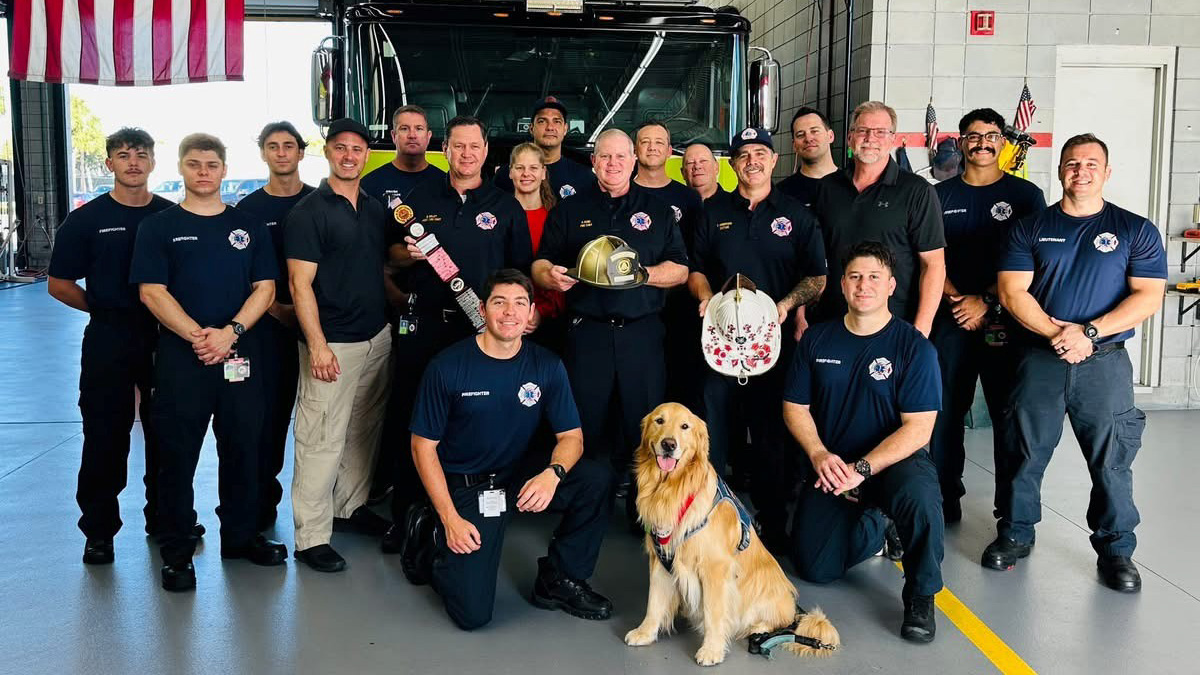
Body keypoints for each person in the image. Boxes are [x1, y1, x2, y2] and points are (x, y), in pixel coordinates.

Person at [987, 133, 1166, 593]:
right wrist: (1058, 334)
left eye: (1090, 164)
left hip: (1104, 362)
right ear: (1061, 170)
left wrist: (1088, 333)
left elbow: (1148, 296)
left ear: (1106, 172)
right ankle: (1015, 532)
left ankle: (1116, 550)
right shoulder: (1029, 227)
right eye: (1071, 163)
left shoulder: (1135, 229)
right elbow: (1011, 292)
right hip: (1038, 358)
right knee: (1023, 449)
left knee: (1112, 459)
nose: (1080, 171)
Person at [407, 269, 613, 630]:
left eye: (520, 304)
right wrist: (451, 518)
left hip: (517, 473)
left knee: (596, 479)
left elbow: (572, 437)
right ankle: (430, 538)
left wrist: (553, 475)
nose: (509, 313)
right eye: (499, 303)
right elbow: (422, 447)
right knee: (472, 615)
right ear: (483, 310)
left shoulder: (546, 365)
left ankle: (559, 578)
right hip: (468, 484)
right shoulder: (448, 366)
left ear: (531, 312)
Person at [130, 133, 286, 592]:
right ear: (180, 167)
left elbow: (266, 289)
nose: (204, 171)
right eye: (194, 163)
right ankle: (177, 551)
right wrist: (199, 337)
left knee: (244, 450)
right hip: (184, 360)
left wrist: (230, 333)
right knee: (176, 457)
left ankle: (240, 536)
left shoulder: (249, 226)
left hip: (239, 356)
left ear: (223, 169)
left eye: (212, 164)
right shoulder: (158, 227)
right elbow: (151, 291)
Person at [382, 116, 533, 552]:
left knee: (477, 422)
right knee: (414, 419)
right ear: (444, 149)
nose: (467, 154)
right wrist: (406, 254)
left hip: (482, 331)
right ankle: (408, 515)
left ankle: (471, 511)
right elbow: (390, 254)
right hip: (426, 325)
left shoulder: (505, 206)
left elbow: (520, 271)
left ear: (487, 152)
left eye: (475, 147)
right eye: (458, 146)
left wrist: (519, 315)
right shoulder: (418, 198)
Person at [48, 128, 196, 565]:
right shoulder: (86, 220)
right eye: (123, 155)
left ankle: (167, 518)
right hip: (110, 338)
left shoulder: (173, 217)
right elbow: (59, 285)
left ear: (153, 163)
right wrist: (103, 309)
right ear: (109, 163)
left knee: (169, 434)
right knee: (105, 437)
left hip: (165, 338)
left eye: (142, 154)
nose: (133, 162)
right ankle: (99, 530)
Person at [784, 241, 944, 643]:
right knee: (816, 568)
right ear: (841, 285)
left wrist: (863, 471)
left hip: (893, 463)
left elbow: (919, 428)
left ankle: (922, 594)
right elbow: (795, 407)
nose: (864, 285)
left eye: (874, 277)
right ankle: (876, 521)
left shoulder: (913, 347)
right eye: (855, 276)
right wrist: (820, 455)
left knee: (921, 500)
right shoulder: (817, 341)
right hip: (834, 465)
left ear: (891, 285)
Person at [533, 128, 689, 505]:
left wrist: (644, 275)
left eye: (621, 156)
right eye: (605, 157)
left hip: (643, 335)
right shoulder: (569, 211)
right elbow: (539, 263)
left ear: (634, 160)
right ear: (593, 162)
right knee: (583, 424)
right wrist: (549, 276)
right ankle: (583, 505)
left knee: (647, 425)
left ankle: (646, 509)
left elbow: (681, 269)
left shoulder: (658, 212)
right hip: (588, 334)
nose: (613, 164)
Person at [688, 126, 826, 549]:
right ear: (733, 164)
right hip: (719, 343)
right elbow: (693, 269)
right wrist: (707, 296)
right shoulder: (711, 213)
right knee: (713, 435)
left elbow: (818, 276)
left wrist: (785, 305)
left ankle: (773, 521)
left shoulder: (797, 215)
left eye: (760, 152)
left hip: (772, 344)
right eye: (743, 154)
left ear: (773, 159)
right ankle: (707, 522)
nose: (752, 160)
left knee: (771, 437)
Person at [286, 118, 393, 573]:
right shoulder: (309, 212)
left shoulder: (373, 208)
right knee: (320, 438)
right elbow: (298, 283)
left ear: (367, 154)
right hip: (334, 343)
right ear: (327, 152)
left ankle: (349, 506)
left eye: (357, 149)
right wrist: (318, 345)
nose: (350, 156)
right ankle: (311, 536)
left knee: (361, 431)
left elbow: (383, 264)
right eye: (341, 148)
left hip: (377, 337)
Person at [929, 109, 1046, 524]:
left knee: (1008, 415)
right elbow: (928, 258)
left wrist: (985, 301)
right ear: (960, 142)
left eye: (991, 135)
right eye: (973, 136)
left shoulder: (1026, 197)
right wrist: (961, 300)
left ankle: (1009, 512)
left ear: (1003, 141)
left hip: (1006, 320)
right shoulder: (938, 197)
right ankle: (945, 499)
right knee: (944, 412)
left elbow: (1035, 262)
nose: (982, 143)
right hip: (951, 318)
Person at [235, 121, 316, 531]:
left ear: (302, 153)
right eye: (273, 146)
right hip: (268, 330)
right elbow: (242, 277)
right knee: (267, 419)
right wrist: (278, 310)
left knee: (321, 421)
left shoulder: (323, 202)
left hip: (318, 330)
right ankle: (263, 501)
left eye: (289, 146)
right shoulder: (247, 212)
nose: (282, 153)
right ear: (263, 154)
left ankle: (328, 504)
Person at [809, 101, 946, 337]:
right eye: (862, 130)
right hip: (832, 321)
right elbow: (811, 257)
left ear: (893, 138)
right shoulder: (827, 188)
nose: (870, 138)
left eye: (880, 132)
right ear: (851, 137)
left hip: (895, 325)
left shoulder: (917, 191)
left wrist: (921, 329)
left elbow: (933, 264)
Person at [633, 122, 704, 409]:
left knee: (677, 375)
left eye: (659, 142)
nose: (652, 147)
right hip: (634, 305)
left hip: (678, 303)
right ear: (635, 149)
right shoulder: (620, 191)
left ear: (670, 151)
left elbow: (697, 251)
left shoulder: (687, 198)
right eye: (645, 141)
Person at [508, 142, 566, 352]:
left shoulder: (557, 218)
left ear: (543, 172)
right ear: (510, 172)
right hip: (504, 318)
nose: (526, 174)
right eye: (519, 168)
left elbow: (562, 272)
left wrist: (539, 311)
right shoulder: (497, 215)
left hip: (546, 319)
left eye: (533, 168)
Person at [494, 96, 594, 198]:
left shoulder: (584, 176)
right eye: (542, 121)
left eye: (557, 121)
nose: (550, 127)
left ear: (565, 129)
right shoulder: (506, 175)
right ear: (531, 128)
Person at [359, 104, 445, 208]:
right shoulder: (369, 185)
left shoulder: (445, 183)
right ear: (394, 136)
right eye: (404, 129)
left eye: (419, 129)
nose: (412, 135)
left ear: (428, 136)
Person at [776, 107, 838, 207]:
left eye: (814, 131)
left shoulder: (851, 185)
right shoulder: (780, 193)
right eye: (800, 135)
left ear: (830, 136)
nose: (808, 139)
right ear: (794, 145)